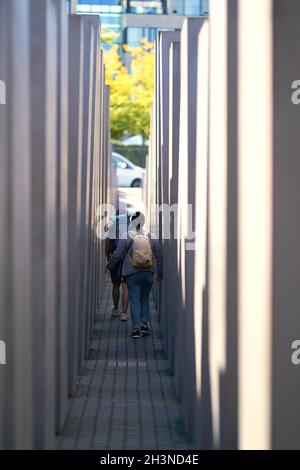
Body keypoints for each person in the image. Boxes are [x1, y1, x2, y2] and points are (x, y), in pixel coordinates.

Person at [107, 211, 163, 338]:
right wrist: (160, 272)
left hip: (132, 272)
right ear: (143, 223)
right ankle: (145, 325)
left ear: (132, 222)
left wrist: (109, 265)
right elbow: (159, 254)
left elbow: (118, 253)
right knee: (145, 298)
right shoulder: (150, 236)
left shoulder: (126, 236)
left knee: (134, 299)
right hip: (148, 271)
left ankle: (136, 329)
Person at [105, 210, 130, 321]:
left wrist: (108, 257)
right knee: (125, 285)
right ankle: (124, 312)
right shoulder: (130, 226)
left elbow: (108, 241)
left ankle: (115, 309)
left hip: (114, 256)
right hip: (126, 258)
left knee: (116, 284)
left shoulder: (112, 224)